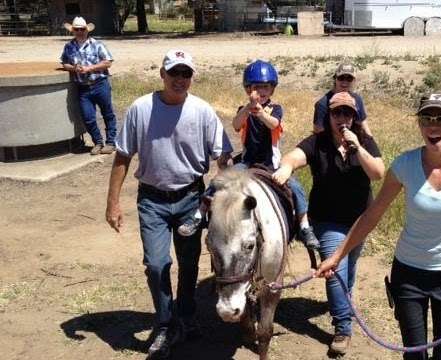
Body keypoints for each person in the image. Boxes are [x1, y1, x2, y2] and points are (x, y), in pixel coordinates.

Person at [315, 94, 441, 360]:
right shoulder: (404, 165)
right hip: (408, 277)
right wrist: (336, 257)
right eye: (426, 119)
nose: (433, 126)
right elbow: (372, 215)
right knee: (414, 356)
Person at [105, 49, 233, 359]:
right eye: (173, 72)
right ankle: (164, 324)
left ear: (192, 77)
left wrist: (224, 192)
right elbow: (123, 155)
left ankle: (186, 317)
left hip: (191, 198)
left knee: (189, 264)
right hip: (152, 200)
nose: (179, 79)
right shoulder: (141, 109)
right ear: (162, 75)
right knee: (157, 264)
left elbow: (223, 157)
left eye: (185, 73)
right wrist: (112, 203)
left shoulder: (202, 111)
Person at [273, 92, 385, 355]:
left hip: (360, 220)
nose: (342, 118)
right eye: (337, 113)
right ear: (329, 116)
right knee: (335, 268)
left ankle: (344, 304)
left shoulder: (365, 141)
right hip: (328, 220)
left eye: (347, 113)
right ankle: (343, 327)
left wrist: (357, 147)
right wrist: (288, 168)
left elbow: (378, 173)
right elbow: (293, 157)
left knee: (349, 265)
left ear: (355, 117)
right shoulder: (318, 142)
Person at [177, 60, 320, 250]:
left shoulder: (275, 109)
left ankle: (304, 226)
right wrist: (248, 108)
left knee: (296, 188)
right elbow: (236, 124)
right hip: (248, 162)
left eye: (265, 87)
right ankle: (199, 215)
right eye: (255, 87)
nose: (261, 91)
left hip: (271, 164)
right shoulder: (243, 111)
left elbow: (273, 124)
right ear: (247, 90)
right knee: (219, 181)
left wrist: (260, 112)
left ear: (272, 89)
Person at [60, 16, 117, 155]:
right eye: (77, 29)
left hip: (99, 83)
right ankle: (98, 142)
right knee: (88, 117)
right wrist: (74, 68)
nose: (80, 32)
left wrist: (89, 69)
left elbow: (107, 62)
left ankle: (111, 142)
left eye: (82, 29)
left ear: (87, 30)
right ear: (73, 31)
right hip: (83, 88)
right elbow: (64, 63)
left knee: (108, 114)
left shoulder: (97, 44)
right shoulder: (68, 46)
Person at [313, 62, 372, 135]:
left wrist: (371, 143)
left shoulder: (357, 99)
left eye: (349, 79)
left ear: (354, 81)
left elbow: (363, 126)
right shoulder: (322, 104)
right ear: (335, 79)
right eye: (341, 78)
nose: (345, 82)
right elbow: (318, 132)